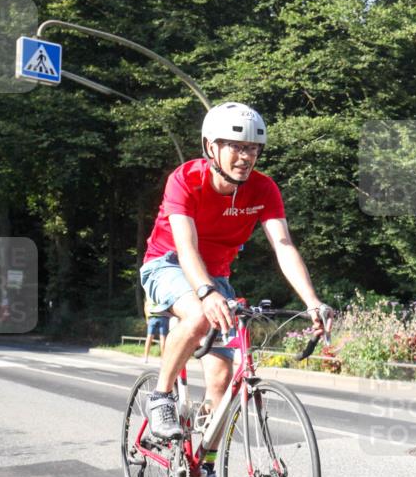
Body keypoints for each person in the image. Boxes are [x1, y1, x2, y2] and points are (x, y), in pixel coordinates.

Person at [139, 102, 331, 440]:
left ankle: (205, 463)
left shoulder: (264, 189)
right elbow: (186, 247)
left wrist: (312, 301)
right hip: (167, 263)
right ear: (211, 147)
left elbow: (283, 245)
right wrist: (206, 293)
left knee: (221, 379)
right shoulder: (185, 180)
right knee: (199, 315)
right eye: (236, 147)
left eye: (253, 148)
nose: (246, 157)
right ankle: (161, 396)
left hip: (216, 277)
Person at [142, 299, 169, 363]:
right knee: (163, 338)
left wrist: (147, 318)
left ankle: (145, 357)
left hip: (152, 316)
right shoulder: (165, 294)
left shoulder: (150, 294)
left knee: (149, 337)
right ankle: (162, 359)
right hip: (163, 316)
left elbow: (146, 305)